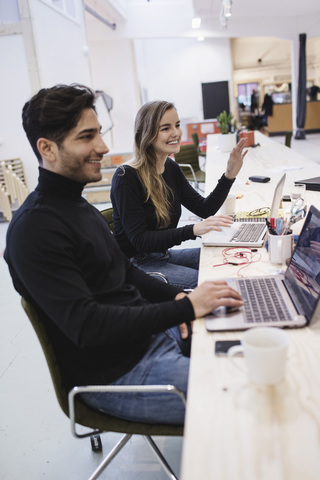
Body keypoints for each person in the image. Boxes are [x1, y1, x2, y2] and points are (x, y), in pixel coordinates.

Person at [4, 84, 243, 426]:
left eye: (100, 133)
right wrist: (186, 306)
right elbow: (88, 326)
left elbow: (127, 275)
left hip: (148, 338)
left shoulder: (76, 205)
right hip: (118, 374)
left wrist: (177, 298)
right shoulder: (35, 230)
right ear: (48, 149)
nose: (103, 146)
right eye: (87, 137)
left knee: (246, 325)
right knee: (254, 394)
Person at [111, 101, 248, 290]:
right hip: (137, 265)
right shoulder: (126, 177)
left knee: (227, 255)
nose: (176, 133)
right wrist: (192, 230)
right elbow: (140, 241)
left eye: (176, 125)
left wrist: (229, 175)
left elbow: (204, 208)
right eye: (165, 128)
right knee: (210, 281)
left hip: (162, 255)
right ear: (147, 134)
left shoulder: (171, 168)